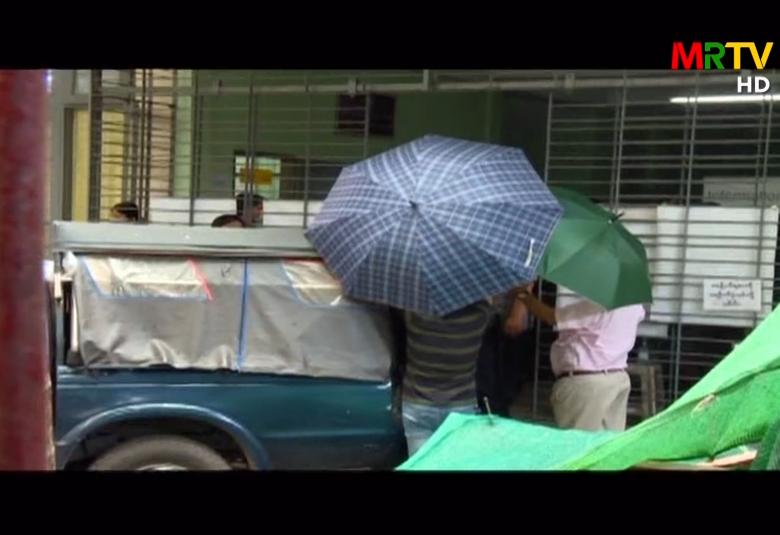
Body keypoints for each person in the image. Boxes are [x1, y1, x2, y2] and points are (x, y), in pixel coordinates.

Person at [506, 281, 645, 432]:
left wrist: (524, 296)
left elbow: (551, 317)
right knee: (608, 442)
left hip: (587, 383)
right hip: (617, 377)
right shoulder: (634, 306)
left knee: (579, 442)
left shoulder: (597, 305)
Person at [401, 300, 494, 456]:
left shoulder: (413, 314)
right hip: (461, 406)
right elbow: (489, 305)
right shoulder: (480, 315)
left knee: (422, 464)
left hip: (418, 405)